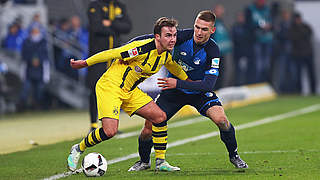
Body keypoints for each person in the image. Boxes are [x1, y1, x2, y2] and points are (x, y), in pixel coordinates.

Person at [128, 10, 248, 172]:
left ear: (212, 30)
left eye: (204, 29)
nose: (199, 32)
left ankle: (234, 155)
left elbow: (207, 86)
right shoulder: (182, 36)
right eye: (197, 27)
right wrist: (126, 48)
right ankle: (144, 161)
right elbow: (153, 38)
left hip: (196, 92)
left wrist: (177, 83)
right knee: (148, 127)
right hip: (173, 92)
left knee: (222, 120)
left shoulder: (213, 50)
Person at [67, 17, 189, 172]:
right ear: (157, 37)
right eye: (168, 35)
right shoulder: (142, 48)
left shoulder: (165, 55)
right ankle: (78, 148)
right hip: (110, 86)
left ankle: (160, 162)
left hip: (129, 92)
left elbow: (176, 69)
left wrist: (193, 83)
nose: (172, 40)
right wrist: (85, 62)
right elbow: (113, 53)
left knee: (159, 117)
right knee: (110, 131)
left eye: (174, 35)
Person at [87, 0, 132, 131]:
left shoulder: (120, 6)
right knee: (95, 88)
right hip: (98, 56)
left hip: (115, 57)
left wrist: (110, 24)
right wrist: (116, 28)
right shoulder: (95, 6)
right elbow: (96, 27)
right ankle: (93, 124)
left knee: (114, 90)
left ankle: (112, 125)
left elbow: (127, 27)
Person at [245, 0, 273, 83]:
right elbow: (248, 25)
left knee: (266, 64)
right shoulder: (250, 9)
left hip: (267, 40)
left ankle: (265, 82)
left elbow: (272, 22)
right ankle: (257, 83)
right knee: (258, 64)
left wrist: (269, 26)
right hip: (256, 40)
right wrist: (259, 26)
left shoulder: (267, 9)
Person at [288, 12, 316, 94]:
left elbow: (309, 33)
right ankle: (298, 91)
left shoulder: (306, 26)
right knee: (298, 75)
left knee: (311, 73)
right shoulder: (292, 28)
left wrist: (300, 35)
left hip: (308, 53)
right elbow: (292, 37)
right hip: (298, 54)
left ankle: (313, 90)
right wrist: (301, 35)